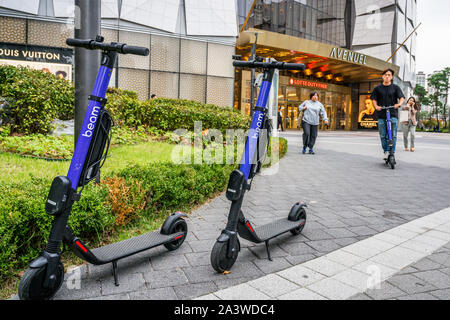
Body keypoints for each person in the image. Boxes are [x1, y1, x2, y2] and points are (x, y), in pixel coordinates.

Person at [370, 68, 405, 159]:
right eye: (385, 74)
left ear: (392, 77)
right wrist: (376, 106)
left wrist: (399, 104)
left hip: (393, 114)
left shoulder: (395, 87)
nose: (387, 76)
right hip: (381, 114)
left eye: (389, 75)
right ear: (382, 76)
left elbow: (401, 97)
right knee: (382, 135)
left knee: (393, 135)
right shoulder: (377, 88)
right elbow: (373, 99)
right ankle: (386, 150)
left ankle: (392, 152)